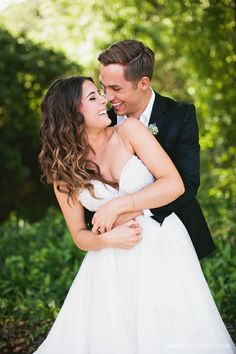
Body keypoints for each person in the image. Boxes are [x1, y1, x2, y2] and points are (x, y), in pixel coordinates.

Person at [33, 76, 235, 353]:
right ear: (70, 113)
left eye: (100, 93)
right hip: (110, 263)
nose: (105, 100)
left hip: (163, 244)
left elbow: (174, 184)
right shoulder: (63, 170)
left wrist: (119, 205)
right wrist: (108, 240)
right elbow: (80, 236)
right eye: (93, 98)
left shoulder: (129, 131)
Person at [83, 39, 216, 260]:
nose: (106, 97)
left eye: (116, 88)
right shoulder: (101, 121)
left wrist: (129, 211)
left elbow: (188, 184)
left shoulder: (179, 116)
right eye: (103, 87)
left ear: (143, 83)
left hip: (173, 234)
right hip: (117, 246)